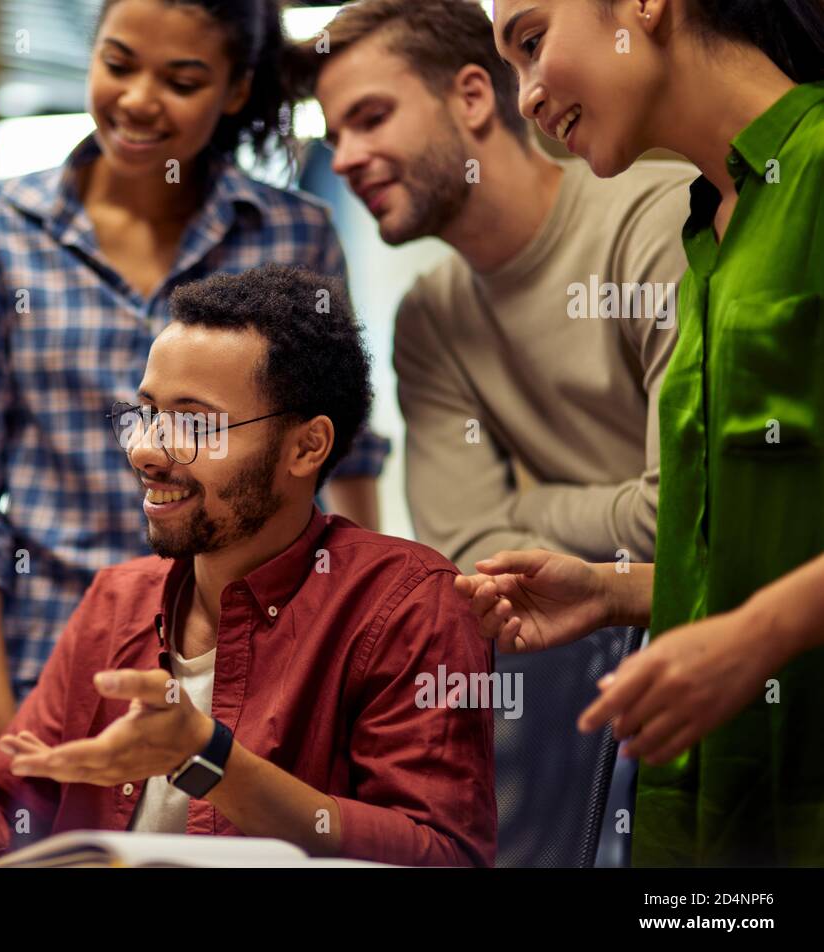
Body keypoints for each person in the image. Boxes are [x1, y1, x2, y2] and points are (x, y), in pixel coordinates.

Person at [0, 0, 390, 754]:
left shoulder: (292, 234)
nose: (138, 99)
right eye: (117, 64)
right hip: (55, 664)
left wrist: (361, 647)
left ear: (236, 90)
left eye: (181, 79)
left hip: (255, 671)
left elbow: (345, 461)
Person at [0, 265, 495, 867]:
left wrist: (211, 759)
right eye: (146, 413)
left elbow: (442, 853)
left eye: (192, 423)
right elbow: (12, 788)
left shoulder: (409, 604)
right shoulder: (118, 600)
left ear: (306, 447)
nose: (145, 450)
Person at [460, 0, 824, 866]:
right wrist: (619, 591)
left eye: (534, 42)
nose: (526, 96)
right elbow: (760, 547)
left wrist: (760, 635)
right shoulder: (709, 226)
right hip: (708, 822)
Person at [294, 0, 692, 575]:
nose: (344, 160)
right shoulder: (429, 319)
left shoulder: (658, 224)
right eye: (336, 136)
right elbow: (466, 553)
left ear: (473, 97)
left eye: (372, 117)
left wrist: (535, 508)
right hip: (590, 659)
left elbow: (683, 514)